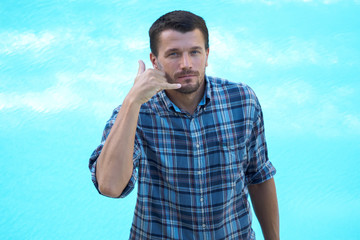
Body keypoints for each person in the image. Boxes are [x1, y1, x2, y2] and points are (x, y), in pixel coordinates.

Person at [89, 10, 279, 240]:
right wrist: (132, 101)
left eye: (194, 52)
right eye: (174, 54)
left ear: (207, 55)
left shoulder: (242, 100)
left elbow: (258, 176)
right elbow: (110, 187)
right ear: (154, 61)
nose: (186, 64)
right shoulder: (135, 113)